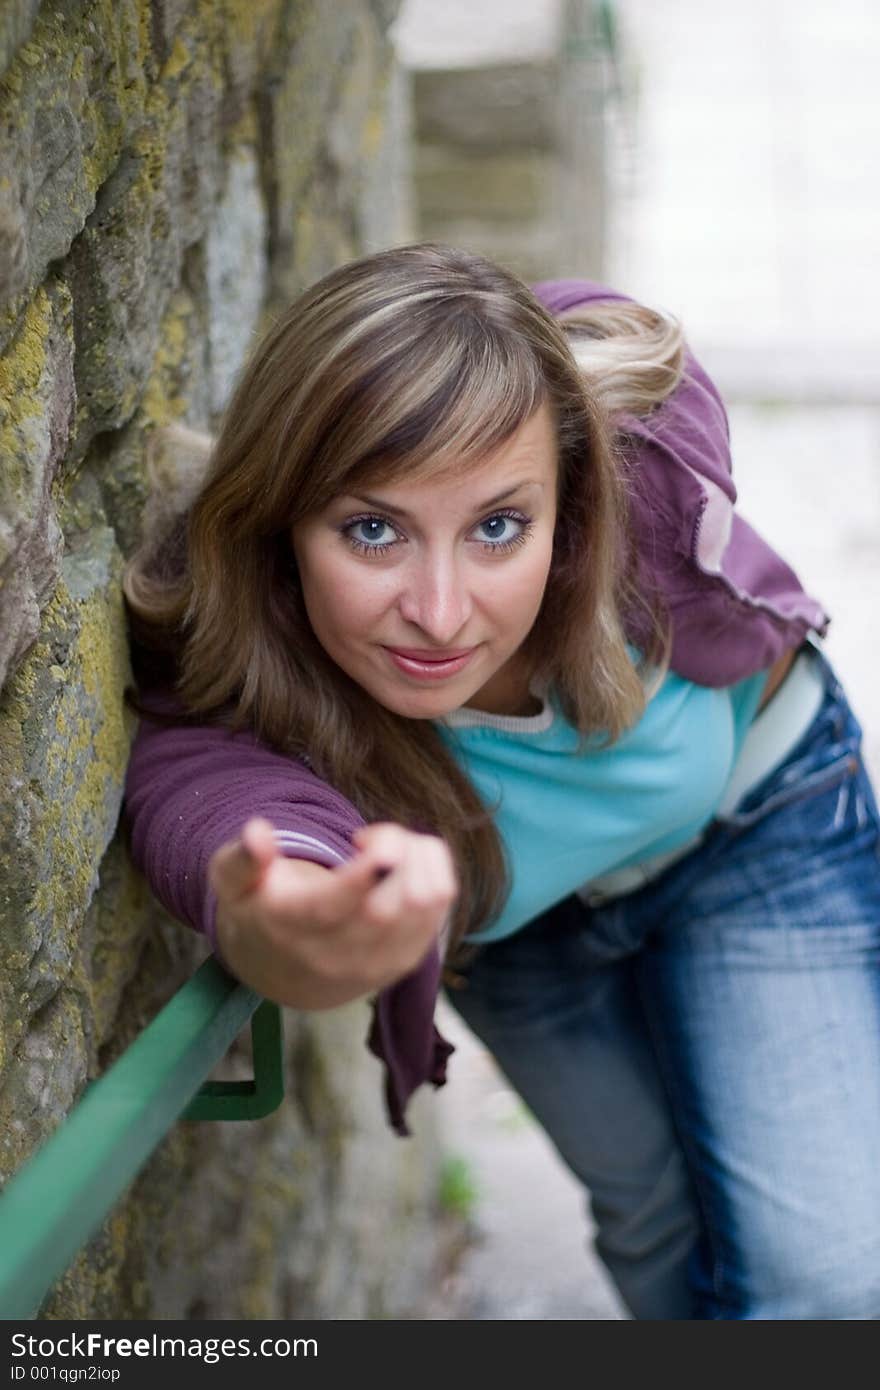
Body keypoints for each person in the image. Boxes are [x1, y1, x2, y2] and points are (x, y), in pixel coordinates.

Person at [121, 242, 880, 1320]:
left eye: (497, 526)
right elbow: (218, 806)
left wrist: (500, 358)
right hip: (524, 937)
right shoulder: (238, 666)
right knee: (652, 1218)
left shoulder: (628, 478)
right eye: (371, 528)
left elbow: (606, 339)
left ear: (566, 501)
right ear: (281, 519)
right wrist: (289, 911)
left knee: (827, 1276)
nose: (439, 610)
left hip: (757, 828)